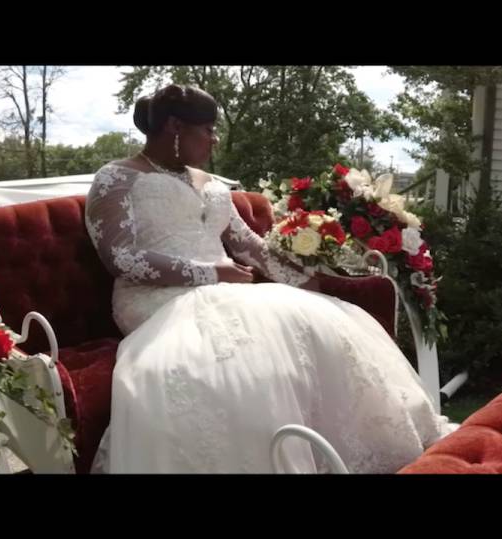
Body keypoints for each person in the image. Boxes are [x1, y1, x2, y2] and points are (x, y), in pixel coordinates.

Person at [86, 83, 455, 473]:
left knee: (317, 321)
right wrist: (211, 273)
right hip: (157, 299)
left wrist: (307, 282)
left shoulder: (210, 183)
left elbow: (249, 245)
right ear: (175, 127)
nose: (214, 139)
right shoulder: (117, 177)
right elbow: (119, 258)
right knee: (236, 357)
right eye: (207, 129)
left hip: (226, 289)